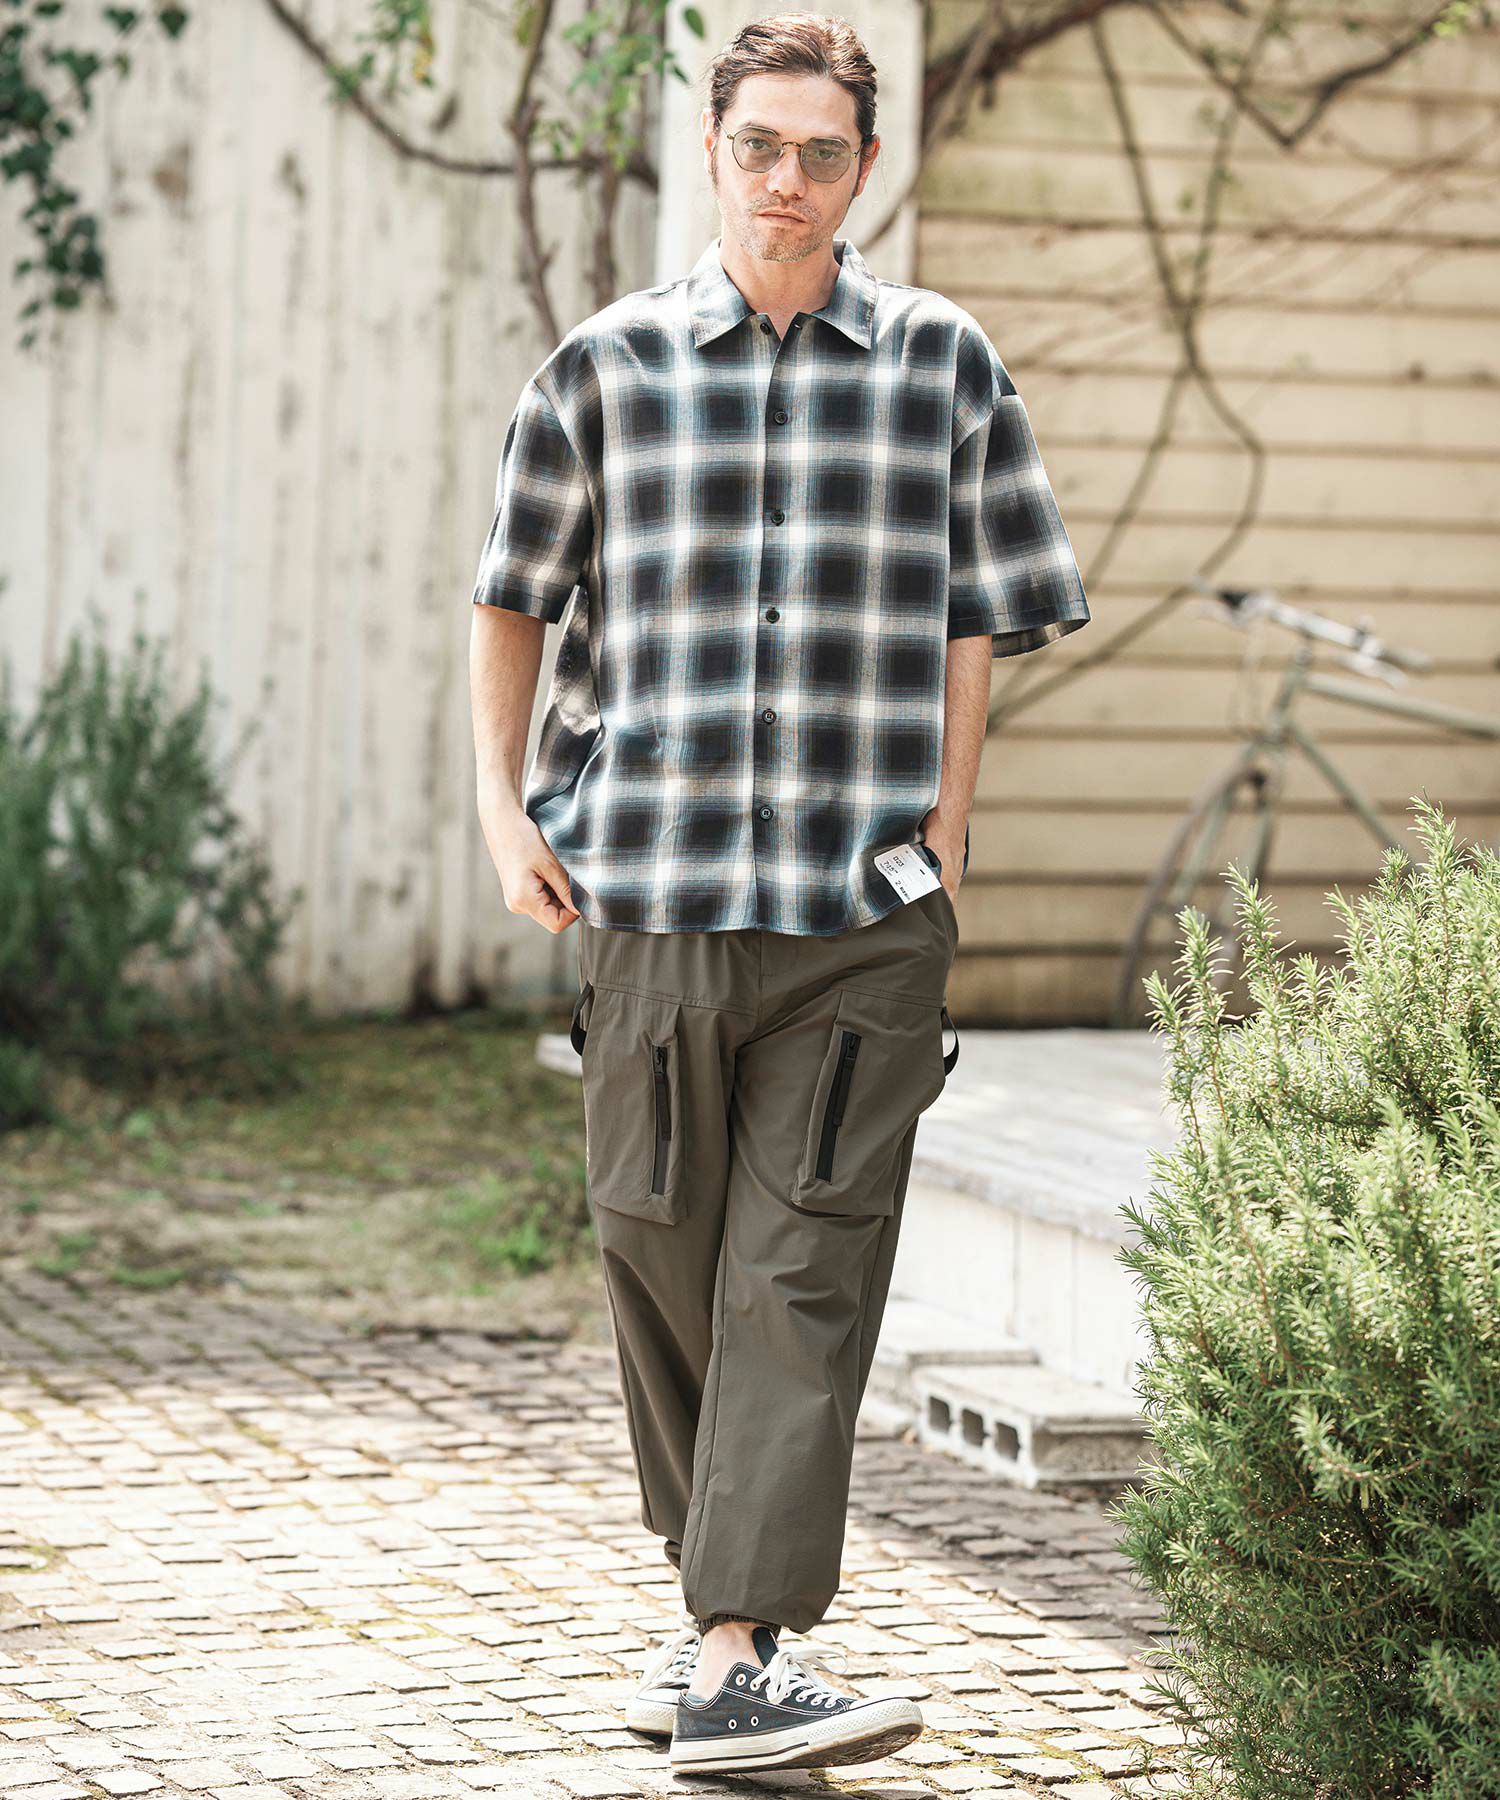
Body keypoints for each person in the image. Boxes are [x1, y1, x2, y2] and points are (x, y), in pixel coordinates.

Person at [467, 10, 1090, 1774]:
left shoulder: (944, 362)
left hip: (860, 914)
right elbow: (513, 601)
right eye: (761, 147)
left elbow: (982, 610)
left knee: (798, 1276)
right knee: (657, 1254)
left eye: (824, 153)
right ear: (713, 152)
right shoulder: (602, 368)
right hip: (648, 897)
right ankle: (718, 1622)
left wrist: (952, 817)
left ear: (864, 167)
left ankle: (741, 1648)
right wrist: (505, 816)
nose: (789, 181)